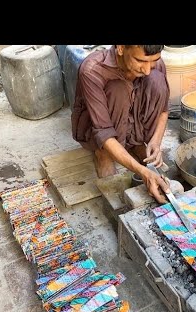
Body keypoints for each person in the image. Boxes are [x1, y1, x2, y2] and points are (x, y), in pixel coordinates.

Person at [71, 45, 171, 204]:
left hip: (132, 121)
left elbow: (164, 110)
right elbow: (102, 131)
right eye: (140, 60)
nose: (146, 69)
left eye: (153, 61)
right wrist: (143, 172)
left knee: (157, 80)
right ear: (121, 48)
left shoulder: (153, 63)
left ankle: (137, 144)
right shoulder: (92, 69)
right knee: (118, 88)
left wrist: (155, 142)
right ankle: (103, 154)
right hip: (99, 130)